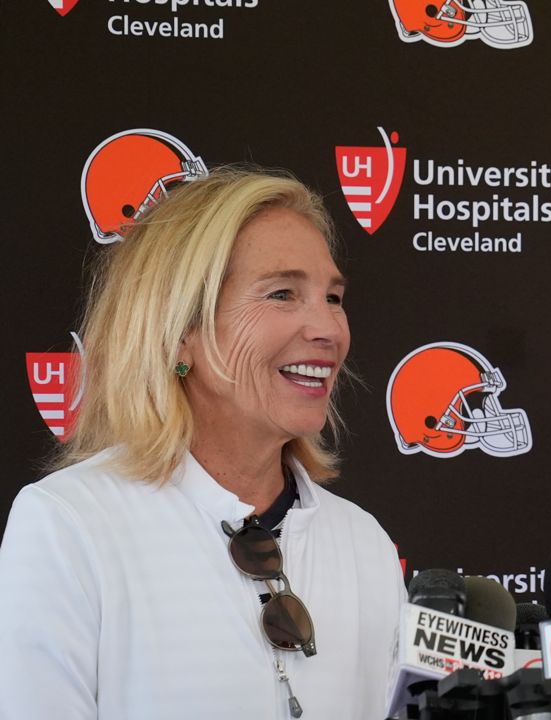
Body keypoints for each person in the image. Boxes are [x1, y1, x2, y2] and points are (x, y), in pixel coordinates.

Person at [0, 167, 406, 719]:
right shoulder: (69, 526)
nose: (329, 330)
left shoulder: (365, 545)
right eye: (283, 293)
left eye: (333, 297)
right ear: (179, 328)